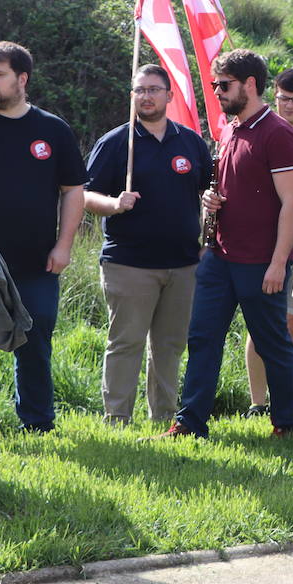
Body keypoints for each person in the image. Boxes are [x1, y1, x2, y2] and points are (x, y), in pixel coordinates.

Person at [163, 50, 293, 439]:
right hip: (219, 257)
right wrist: (210, 201)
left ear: (250, 85)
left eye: (223, 85)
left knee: (272, 343)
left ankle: (286, 425)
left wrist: (279, 263)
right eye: (214, 85)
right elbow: (230, 187)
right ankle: (190, 423)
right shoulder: (229, 128)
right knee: (202, 337)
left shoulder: (278, 133)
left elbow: (292, 202)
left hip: (261, 262)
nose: (217, 92)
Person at [0, 42, 86, 433]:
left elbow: (73, 190)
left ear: (22, 79)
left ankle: (37, 423)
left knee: (35, 345)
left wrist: (64, 245)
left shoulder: (52, 130)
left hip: (37, 262)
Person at [84, 65, 211, 424]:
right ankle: (117, 419)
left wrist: (207, 242)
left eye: (154, 89)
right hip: (129, 263)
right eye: (139, 90)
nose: (146, 96)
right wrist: (114, 204)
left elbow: (209, 194)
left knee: (169, 348)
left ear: (170, 96)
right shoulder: (115, 143)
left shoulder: (190, 143)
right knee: (126, 344)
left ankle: (165, 418)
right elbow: (85, 196)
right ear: (132, 97)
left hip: (183, 264)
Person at [242, 67, 293, 419]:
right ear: (274, 96)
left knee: (289, 324)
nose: (289, 106)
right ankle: (257, 403)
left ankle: (281, 400)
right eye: (283, 99)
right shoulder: (258, 135)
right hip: (261, 246)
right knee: (259, 324)